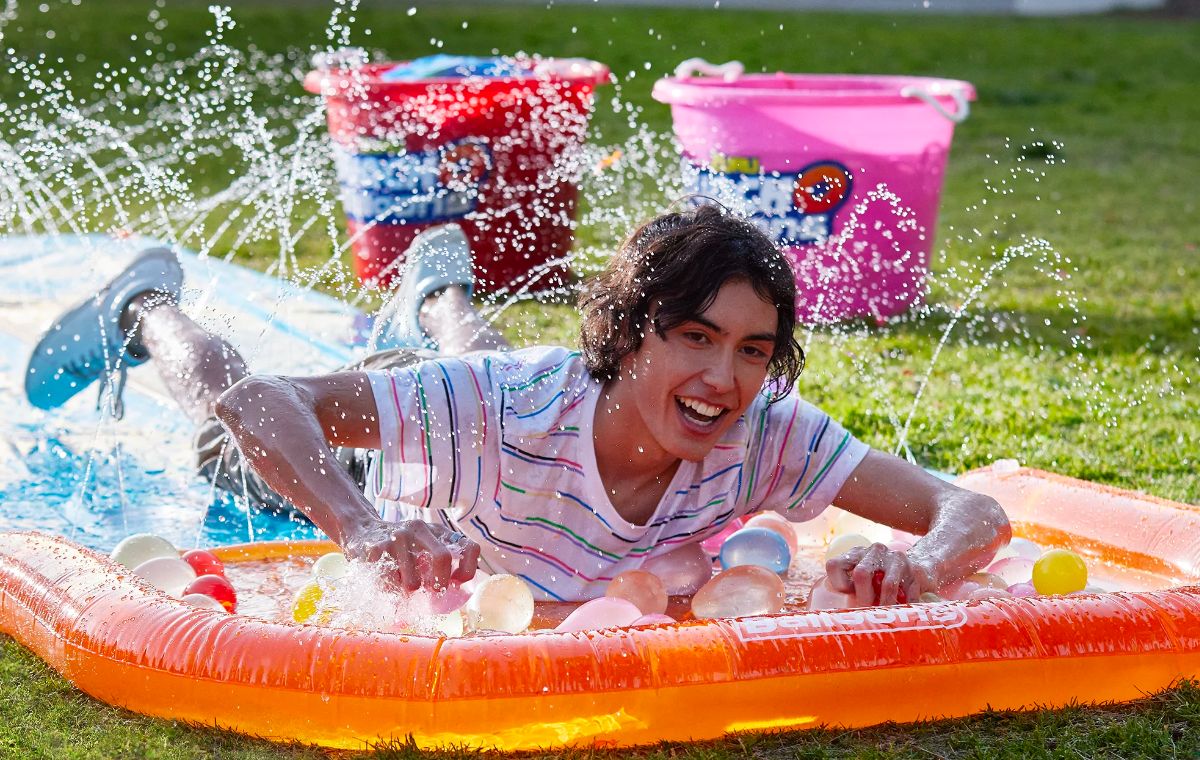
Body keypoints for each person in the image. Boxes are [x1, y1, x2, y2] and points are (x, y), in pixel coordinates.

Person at [24, 204, 1010, 605]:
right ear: (632, 334)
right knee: (224, 423)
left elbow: (974, 510)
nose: (723, 377)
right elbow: (257, 399)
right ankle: (144, 304)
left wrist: (922, 565)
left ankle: (439, 293)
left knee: (503, 397)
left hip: (501, 423)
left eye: (752, 350)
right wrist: (362, 526)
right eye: (695, 336)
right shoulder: (507, 406)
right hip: (395, 479)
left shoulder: (762, 435)